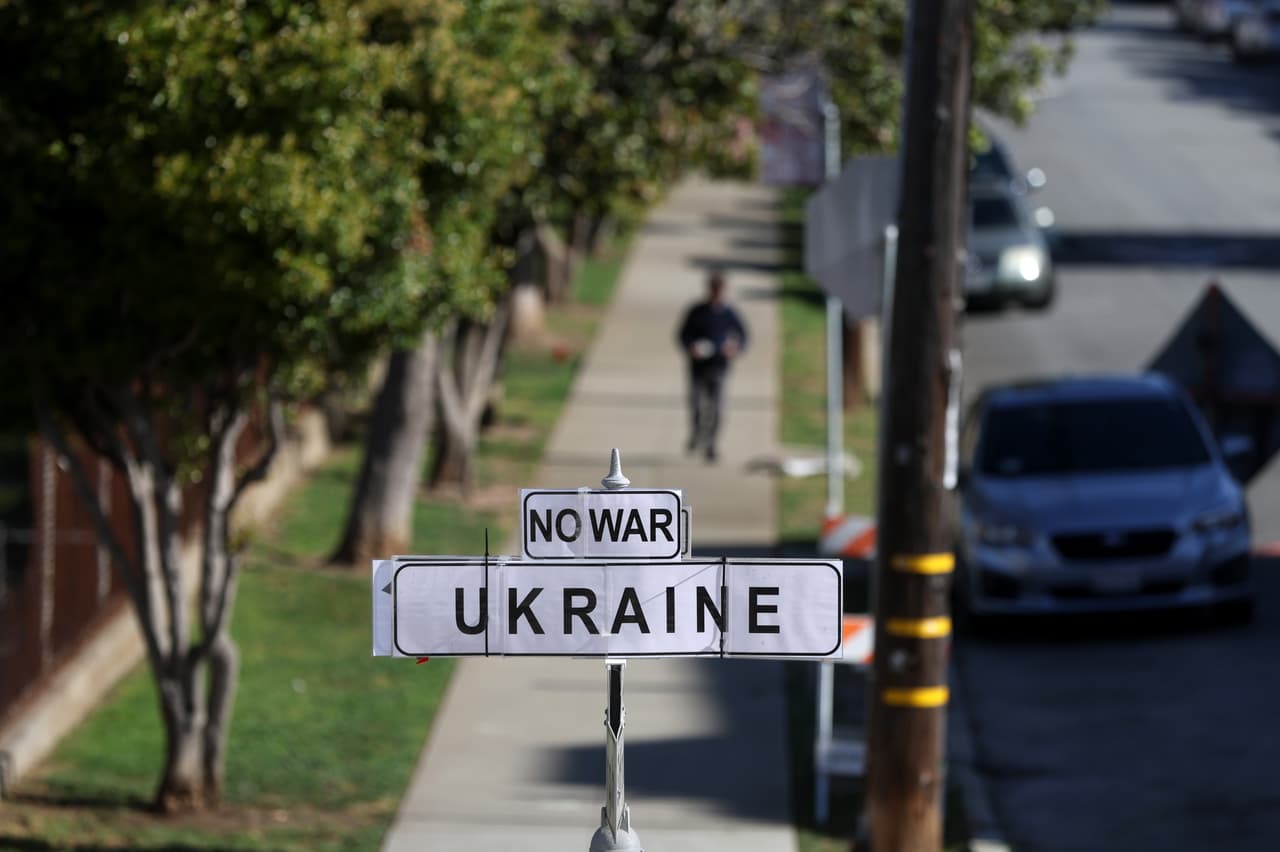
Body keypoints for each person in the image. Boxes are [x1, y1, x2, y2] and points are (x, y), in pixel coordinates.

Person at [676, 270, 748, 462]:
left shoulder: (729, 313)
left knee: (718, 409)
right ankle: (697, 433)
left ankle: (712, 444)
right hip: (698, 368)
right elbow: (682, 335)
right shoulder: (697, 312)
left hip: (719, 367)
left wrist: (735, 348)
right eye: (714, 289)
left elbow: (743, 336)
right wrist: (691, 348)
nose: (717, 293)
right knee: (697, 406)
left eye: (720, 290)